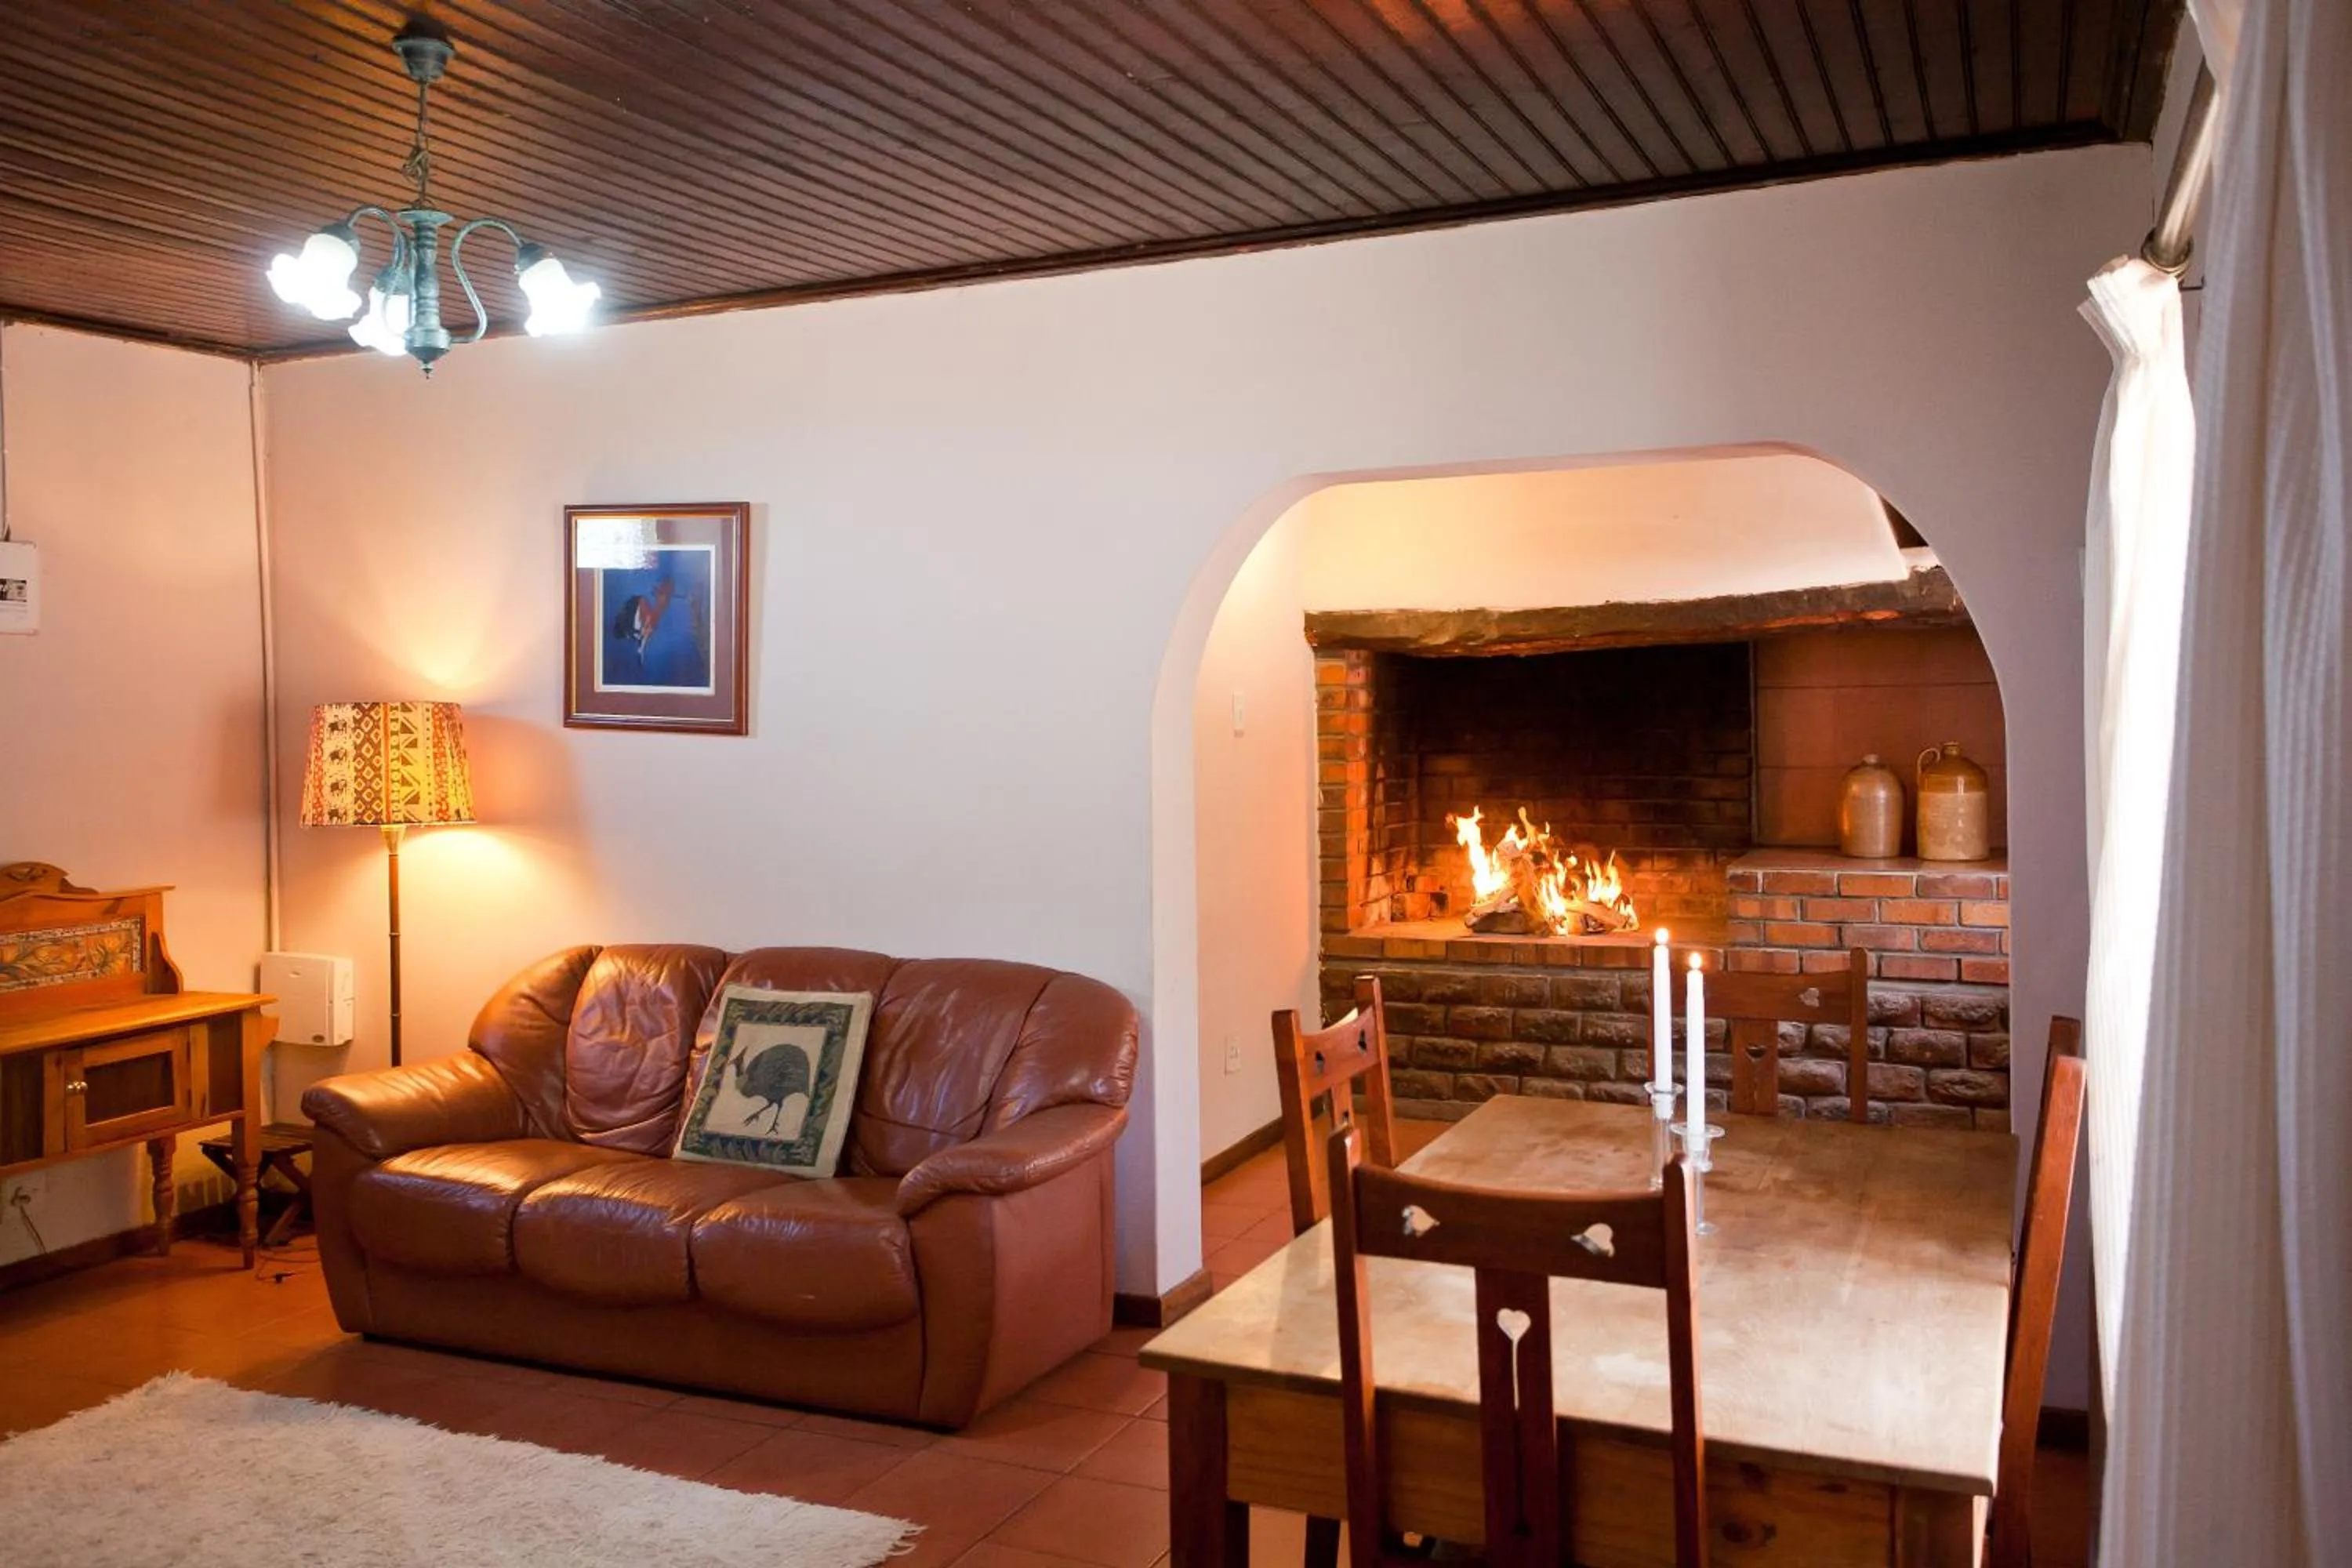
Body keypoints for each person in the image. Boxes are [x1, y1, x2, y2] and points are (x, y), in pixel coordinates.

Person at [607, 555, 709, 688]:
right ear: (644, 622)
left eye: (652, 604)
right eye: (649, 608)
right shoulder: (656, 651)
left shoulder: (661, 633)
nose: (656, 600)